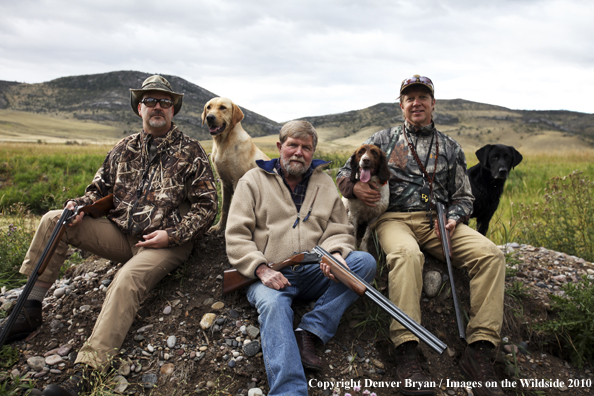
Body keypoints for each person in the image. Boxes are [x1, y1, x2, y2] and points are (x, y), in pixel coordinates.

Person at [0, 75, 218, 396]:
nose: (157, 106)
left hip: (166, 243)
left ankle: (88, 372)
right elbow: (97, 191)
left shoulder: (191, 151)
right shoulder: (123, 148)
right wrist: (79, 206)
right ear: (139, 108)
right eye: (150, 101)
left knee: (127, 279)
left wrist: (171, 236)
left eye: (165, 102)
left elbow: (207, 206)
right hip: (121, 234)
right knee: (54, 220)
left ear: (173, 111)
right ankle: (29, 310)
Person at [337, 75, 506, 396]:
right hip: (393, 219)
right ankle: (406, 349)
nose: (416, 103)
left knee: (491, 255)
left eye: (422, 97)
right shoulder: (381, 139)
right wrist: (355, 186)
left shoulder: (451, 147)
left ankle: (480, 351)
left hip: (439, 222)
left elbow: (465, 197)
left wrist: (456, 217)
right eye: (409, 98)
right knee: (406, 255)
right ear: (401, 105)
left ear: (432, 103)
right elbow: (344, 171)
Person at [225, 120, 377, 396]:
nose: (298, 152)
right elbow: (236, 234)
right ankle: (289, 391)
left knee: (363, 263)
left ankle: (310, 329)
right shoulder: (252, 181)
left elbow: (340, 229)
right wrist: (259, 269)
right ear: (279, 147)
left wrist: (337, 254)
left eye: (306, 147)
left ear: (313, 151)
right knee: (273, 305)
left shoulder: (325, 183)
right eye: (292, 145)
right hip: (269, 273)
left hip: (314, 271)